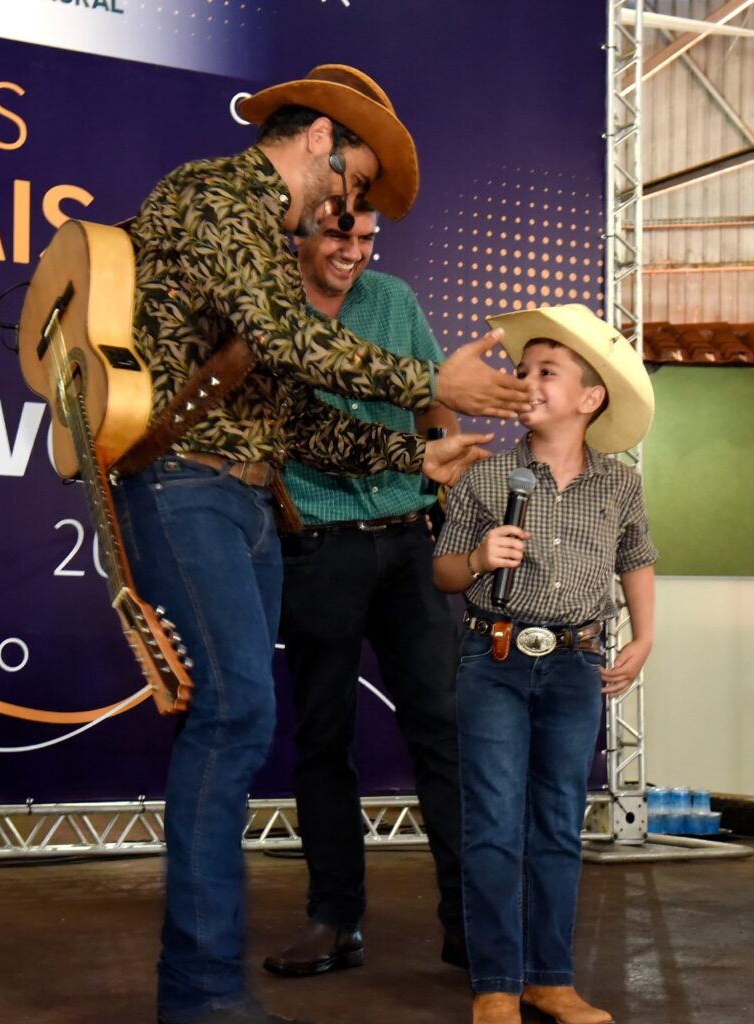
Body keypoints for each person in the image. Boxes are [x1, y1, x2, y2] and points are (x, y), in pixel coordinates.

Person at [113, 65, 531, 1024]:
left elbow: (295, 414)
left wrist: (414, 455)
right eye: (356, 182)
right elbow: (287, 341)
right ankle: (202, 993)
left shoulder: (264, 237)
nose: (348, 209)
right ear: (318, 142)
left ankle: (209, 987)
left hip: (248, 498)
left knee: (241, 721)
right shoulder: (214, 195)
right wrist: (432, 384)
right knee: (235, 719)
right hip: (186, 485)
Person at [433, 304, 657, 1024]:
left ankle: (550, 979)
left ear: (590, 399)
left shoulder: (619, 484)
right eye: (522, 369)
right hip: (493, 659)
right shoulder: (488, 475)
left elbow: (636, 559)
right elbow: (443, 570)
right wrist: (476, 559)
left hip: (575, 665)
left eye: (547, 371)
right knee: (493, 823)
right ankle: (496, 983)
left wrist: (644, 637)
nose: (527, 380)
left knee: (558, 822)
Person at [262, 207, 466, 979]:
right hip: (315, 547)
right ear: (299, 232)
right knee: (323, 738)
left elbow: (432, 399)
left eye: (365, 238)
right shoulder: (266, 306)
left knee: (444, 730)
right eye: (336, 235)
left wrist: (441, 459)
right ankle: (335, 920)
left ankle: (469, 922)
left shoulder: (396, 299)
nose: (352, 251)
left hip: (409, 541)